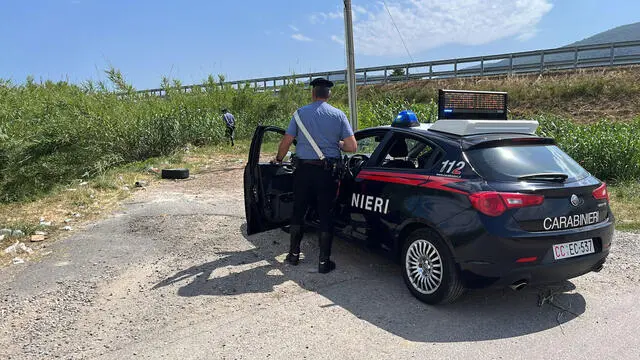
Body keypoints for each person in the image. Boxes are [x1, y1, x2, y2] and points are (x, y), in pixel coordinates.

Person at [272, 77, 357, 274]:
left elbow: (286, 141)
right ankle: (323, 262)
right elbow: (352, 147)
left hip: (303, 171)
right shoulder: (338, 115)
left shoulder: (300, 114)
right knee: (326, 214)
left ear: (313, 93)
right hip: (327, 173)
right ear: (329, 94)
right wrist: (339, 144)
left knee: (298, 211)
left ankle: (293, 256)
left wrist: (278, 159)